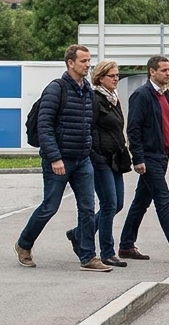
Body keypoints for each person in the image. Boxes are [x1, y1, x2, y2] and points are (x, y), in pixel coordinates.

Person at [15, 45, 106, 271]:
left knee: (87, 207)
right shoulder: (56, 89)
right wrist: (55, 158)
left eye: (89, 61)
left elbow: (90, 126)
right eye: (83, 61)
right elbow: (43, 126)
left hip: (82, 160)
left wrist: (90, 150)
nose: (88, 65)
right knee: (50, 206)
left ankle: (88, 256)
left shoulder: (87, 91)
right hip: (58, 160)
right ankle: (24, 244)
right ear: (70, 63)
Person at [119, 55, 169, 264]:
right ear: (152, 72)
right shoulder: (142, 95)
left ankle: (126, 245)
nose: (168, 73)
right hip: (148, 157)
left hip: (162, 156)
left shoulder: (166, 95)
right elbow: (133, 129)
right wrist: (137, 158)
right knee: (163, 201)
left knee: (141, 202)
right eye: (163, 70)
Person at [75, 61, 132, 268]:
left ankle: (79, 233)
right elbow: (89, 128)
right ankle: (107, 252)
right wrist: (95, 153)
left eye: (117, 75)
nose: (116, 79)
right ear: (100, 78)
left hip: (115, 158)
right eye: (112, 76)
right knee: (108, 204)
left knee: (117, 204)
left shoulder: (114, 99)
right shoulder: (95, 98)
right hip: (100, 159)